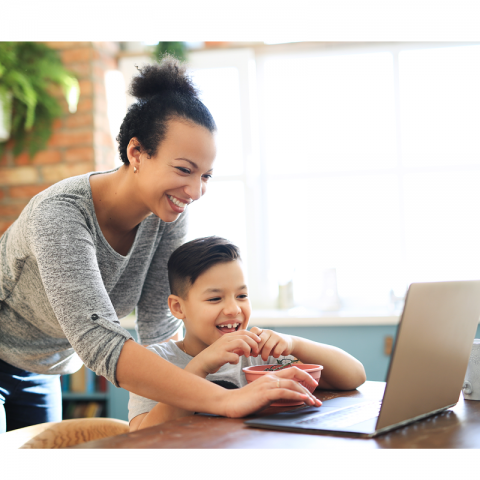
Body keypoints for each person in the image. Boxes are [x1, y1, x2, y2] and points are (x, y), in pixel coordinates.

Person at [0, 56, 321, 434]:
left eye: (206, 176)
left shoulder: (166, 214)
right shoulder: (60, 215)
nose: (196, 191)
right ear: (136, 153)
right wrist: (226, 400)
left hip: (45, 365)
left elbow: (159, 330)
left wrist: (200, 387)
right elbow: (99, 340)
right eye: (184, 170)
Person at [128, 236, 366, 431]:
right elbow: (139, 437)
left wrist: (294, 344)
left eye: (241, 295)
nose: (234, 309)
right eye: (214, 298)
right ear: (178, 308)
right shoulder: (155, 362)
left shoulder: (259, 353)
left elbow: (354, 376)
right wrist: (199, 367)